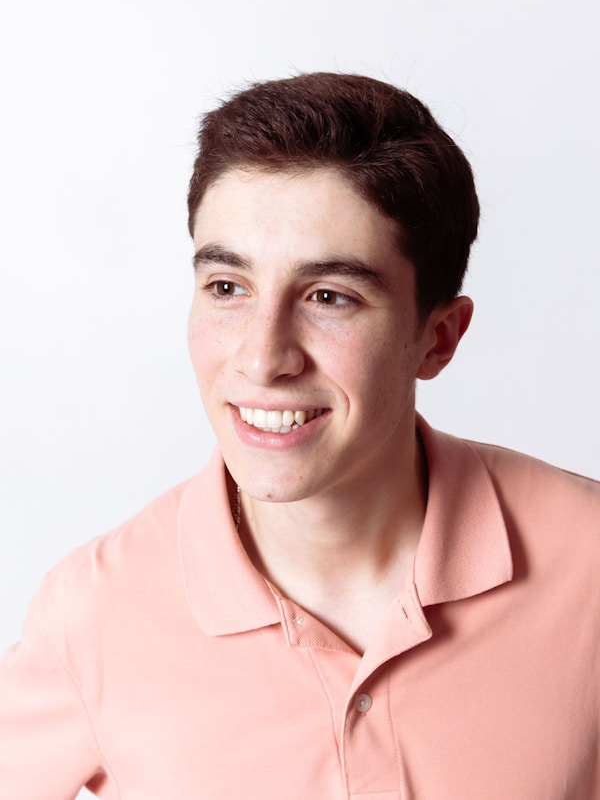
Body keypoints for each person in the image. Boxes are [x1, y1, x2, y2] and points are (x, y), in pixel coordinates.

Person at [1, 72, 598, 799]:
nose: (261, 358)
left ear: (438, 338)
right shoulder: (92, 612)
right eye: (228, 288)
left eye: (328, 297)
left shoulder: (588, 565)